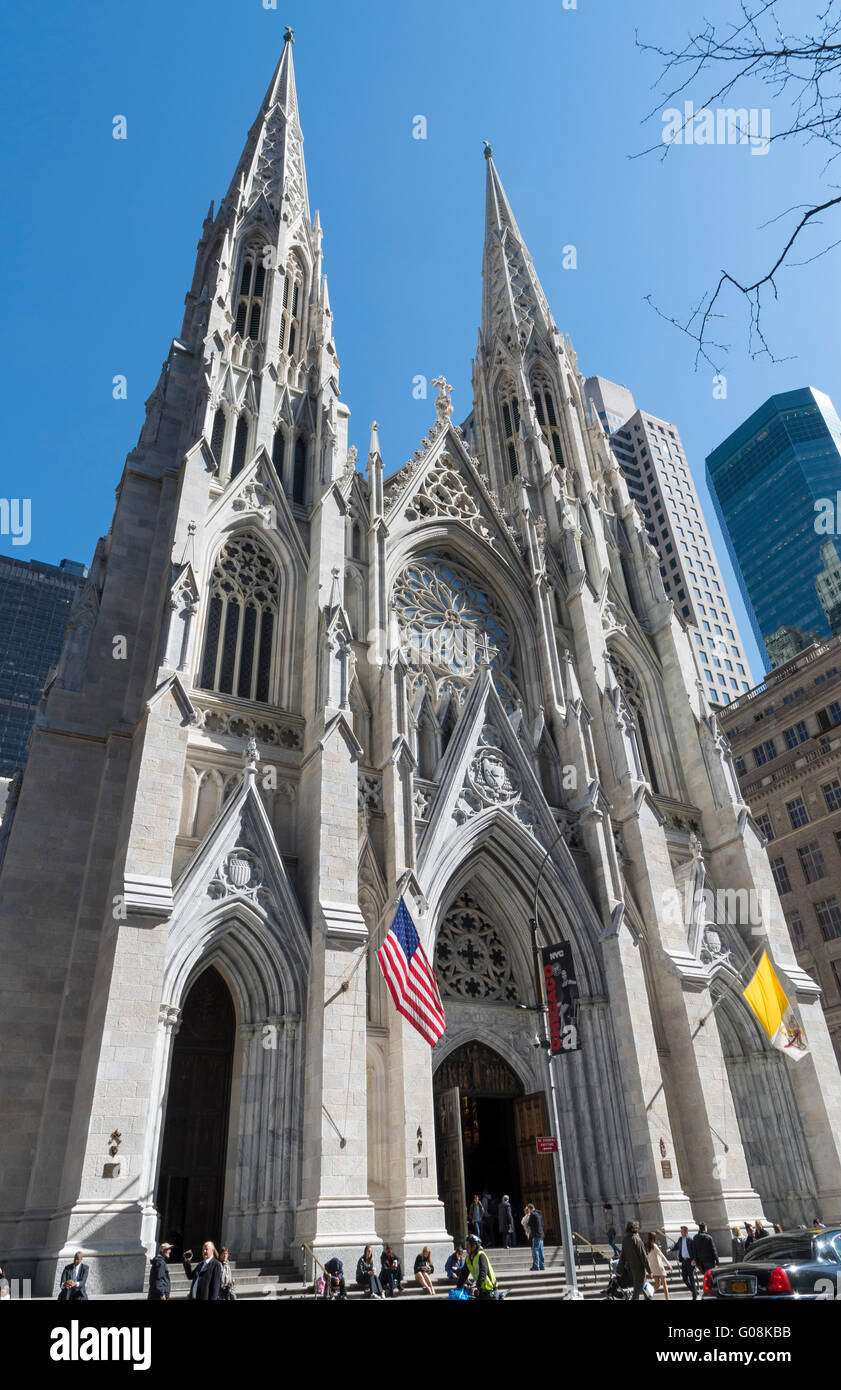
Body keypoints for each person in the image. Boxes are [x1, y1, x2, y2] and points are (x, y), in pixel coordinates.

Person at [456, 1235, 506, 1300]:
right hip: (481, 1291)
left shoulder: (481, 1256)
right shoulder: (468, 1259)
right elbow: (464, 1274)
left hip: (490, 1292)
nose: (466, 1247)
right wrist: (458, 1286)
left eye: (468, 1245)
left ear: (474, 1246)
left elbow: (483, 1272)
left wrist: (477, 1286)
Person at [616, 1220, 650, 1301]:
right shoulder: (636, 1239)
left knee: (642, 1289)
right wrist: (649, 1270)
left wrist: (619, 1270)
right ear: (635, 1228)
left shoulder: (625, 1240)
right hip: (639, 1270)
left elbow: (622, 1257)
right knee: (639, 1291)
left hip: (630, 1269)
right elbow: (643, 1256)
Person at [668, 1227, 697, 1300]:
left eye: (682, 1231)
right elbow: (676, 1245)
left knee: (691, 1278)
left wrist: (694, 1260)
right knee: (684, 1279)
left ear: (686, 1232)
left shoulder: (690, 1240)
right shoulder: (680, 1239)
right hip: (684, 1261)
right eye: (680, 1231)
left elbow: (695, 1251)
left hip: (690, 1261)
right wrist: (670, 1249)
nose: (681, 1233)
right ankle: (695, 1291)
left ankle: (694, 1296)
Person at [644, 1233, 671, 1300]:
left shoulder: (647, 1246)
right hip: (659, 1266)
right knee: (664, 1284)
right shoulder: (654, 1246)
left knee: (657, 1284)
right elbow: (661, 1255)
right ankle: (667, 1299)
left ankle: (648, 1296)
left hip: (653, 1267)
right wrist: (668, 1264)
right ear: (654, 1238)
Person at [526, 1203, 545, 1271]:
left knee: (535, 1250)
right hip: (541, 1234)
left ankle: (536, 1266)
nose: (528, 1211)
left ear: (530, 1209)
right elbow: (542, 1224)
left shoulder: (533, 1215)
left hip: (536, 1235)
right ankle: (542, 1266)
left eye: (528, 1209)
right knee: (541, 1250)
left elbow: (529, 1224)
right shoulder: (539, 1214)